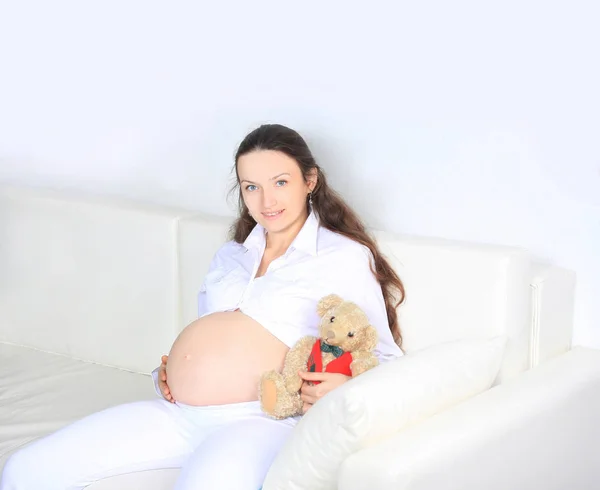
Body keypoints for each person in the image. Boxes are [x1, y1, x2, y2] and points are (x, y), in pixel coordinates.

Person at [0, 124, 406, 490]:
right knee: (25, 470)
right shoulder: (232, 255)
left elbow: (385, 356)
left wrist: (344, 388)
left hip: (262, 419)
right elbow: (212, 338)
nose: (266, 200)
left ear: (310, 180)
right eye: (251, 187)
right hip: (179, 414)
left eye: (280, 182)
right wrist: (169, 371)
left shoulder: (341, 257)